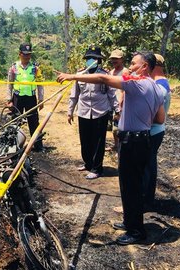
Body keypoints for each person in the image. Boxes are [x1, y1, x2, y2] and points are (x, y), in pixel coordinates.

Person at [56, 51, 166, 245]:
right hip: (142, 140)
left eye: (133, 64)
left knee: (131, 186)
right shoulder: (157, 89)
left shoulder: (136, 85)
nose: (130, 67)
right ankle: (130, 221)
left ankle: (136, 232)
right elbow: (160, 118)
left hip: (132, 142)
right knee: (131, 184)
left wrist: (72, 76)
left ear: (145, 67)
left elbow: (102, 78)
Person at [67, 46, 119, 179]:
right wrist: (70, 111)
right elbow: (74, 95)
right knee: (85, 140)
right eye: (89, 58)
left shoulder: (104, 76)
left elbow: (112, 94)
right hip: (83, 111)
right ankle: (88, 163)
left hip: (100, 112)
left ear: (98, 60)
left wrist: (117, 110)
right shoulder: (80, 75)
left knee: (98, 142)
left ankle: (97, 168)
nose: (91, 61)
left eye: (94, 58)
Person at [143, 53, 171, 210]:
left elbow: (155, 113)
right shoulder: (161, 83)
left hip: (152, 131)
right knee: (149, 164)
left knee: (147, 167)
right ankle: (147, 199)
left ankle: (146, 201)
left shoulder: (160, 86)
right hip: (155, 130)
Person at [6, 42, 44, 152]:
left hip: (31, 98)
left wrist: (41, 100)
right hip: (17, 98)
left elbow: (40, 84)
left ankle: (38, 145)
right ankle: (13, 145)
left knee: (34, 122)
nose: (27, 57)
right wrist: (9, 99)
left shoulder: (35, 68)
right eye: (25, 54)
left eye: (29, 54)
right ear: (20, 54)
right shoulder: (14, 67)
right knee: (15, 121)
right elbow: (9, 83)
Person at [108, 49, 129, 152]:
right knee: (113, 125)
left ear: (121, 59)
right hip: (111, 101)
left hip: (121, 102)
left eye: (116, 59)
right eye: (113, 59)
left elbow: (126, 88)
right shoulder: (111, 72)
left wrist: (122, 102)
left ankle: (121, 146)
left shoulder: (125, 71)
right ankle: (116, 145)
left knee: (118, 126)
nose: (114, 61)